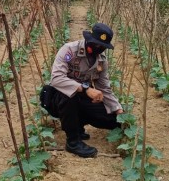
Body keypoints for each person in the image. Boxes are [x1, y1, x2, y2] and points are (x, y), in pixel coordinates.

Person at [49, 22, 123, 158]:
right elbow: (56, 79)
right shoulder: (69, 50)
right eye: (96, 44)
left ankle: (78, 124)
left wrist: (119, 111)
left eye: (103, 46)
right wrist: (86, 89)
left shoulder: (101, 61)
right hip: (57, 98)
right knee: (68, 96)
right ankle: (73, 141)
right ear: (89, 39)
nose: (99, 48)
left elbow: (104, 88)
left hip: (80, 99)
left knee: (113, 120)